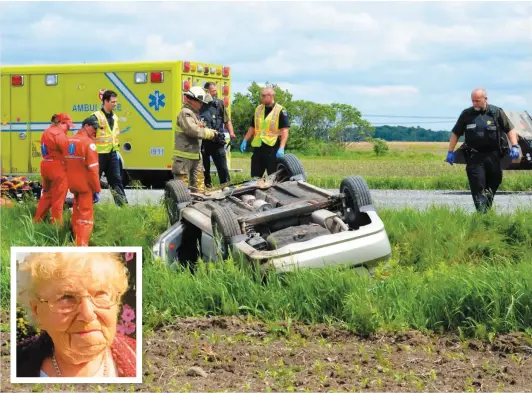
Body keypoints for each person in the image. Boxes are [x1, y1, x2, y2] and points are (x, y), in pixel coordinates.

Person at [16, 252, 136, 377]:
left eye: (100, 294)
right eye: (67, 297)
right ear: (37, 310)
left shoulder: (138, 355)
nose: (88, 314)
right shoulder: (16, 365)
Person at [446, 88, 520, 213]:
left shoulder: (496, 112)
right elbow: (455, 133)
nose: (474, 103)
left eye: (477, 101)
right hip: (474, 156)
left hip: (494, 155)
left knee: (494, 182)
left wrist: (515, 145)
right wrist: (450, 151)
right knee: (478, 185)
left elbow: (510, 129)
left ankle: (485, 212)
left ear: (485, 99)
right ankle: (482, 215)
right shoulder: (466, 114)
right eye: (473, 101)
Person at [172, 86, 219, 192]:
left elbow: (199, 128)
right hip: (184, 158)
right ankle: (182, 208)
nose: (202, 104)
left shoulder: (194, 114)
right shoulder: (185, 112)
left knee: (199, 186)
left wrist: (213, 133)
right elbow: (193, 130)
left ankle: (199, 207)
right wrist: (211, 133)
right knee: (182, 189)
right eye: (200, 102)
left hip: (196, 156)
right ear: (192, 100)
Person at [64, 116, 102, 246]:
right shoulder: (88, 144)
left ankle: (74, 239)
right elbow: (93, 170)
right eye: (94, 127)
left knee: (76, 211)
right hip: (85, 185)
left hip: (73, 184)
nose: (95, 131)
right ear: (86, 126)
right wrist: (97, 189)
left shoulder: (68, 140)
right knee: (86, 217)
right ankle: (81, 245)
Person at [33, 113, 74, 226]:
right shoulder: (59, 134)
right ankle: (56, 226)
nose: (69, 128)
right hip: (57, 167)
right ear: (61, 123)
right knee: (58, 198)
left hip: (45, 165)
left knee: (46, 195)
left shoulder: (46, 132)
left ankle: (37, 221)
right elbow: (67, 152)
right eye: (68, 125)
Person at [240, 87, 290, 178]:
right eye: (261, 95)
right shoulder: (258, 109)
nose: (261, 98)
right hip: (259, 147)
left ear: (271, 96)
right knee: (255, 176)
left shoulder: (280, 110)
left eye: (263, 96)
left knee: (273, 176)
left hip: (272, 148)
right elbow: (252, 127)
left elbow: (285, 131)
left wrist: (281, 148)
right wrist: (245, 140)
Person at [91, 90, 128, 206]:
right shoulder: (95, 116)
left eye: (116, 102)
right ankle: (85, 206)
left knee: (116, 180)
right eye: (113, 102)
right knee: (93, 181)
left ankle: (123, 207)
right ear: (105, 101)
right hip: (98, 154)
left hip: (112, 154)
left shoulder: (115, 117)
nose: (115, 104)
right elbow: (88, 134)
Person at [200, 82, 236, 188]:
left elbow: (227, 120)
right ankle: (207, 189)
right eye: (213, 91)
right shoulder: (200, 104)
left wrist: (232, 133)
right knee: (204, 169)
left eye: (215, 91)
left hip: (217, 141)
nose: (215, 93)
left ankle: (226, 188)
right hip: (203, 143)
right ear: (206, 91)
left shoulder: (219, 104)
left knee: (222, 167)